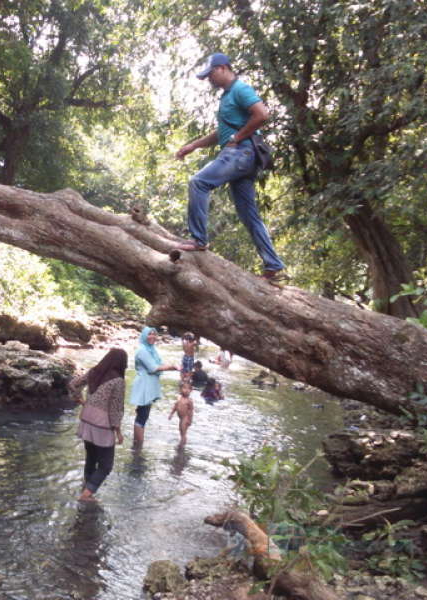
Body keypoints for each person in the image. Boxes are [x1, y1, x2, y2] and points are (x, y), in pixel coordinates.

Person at [174, 52, 288, 284]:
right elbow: (221, 134)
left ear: (223, 68)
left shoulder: (240, 89)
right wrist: (193, 146)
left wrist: (239, 137)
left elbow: (262, 114)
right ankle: (273, 265)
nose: (209, 80)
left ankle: (198, 239)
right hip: (244, 156)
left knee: (199, 182)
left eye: (211, 74)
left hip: (241, 153)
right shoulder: (227, 97)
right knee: (249, 214)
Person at [68, 348, 128, 502]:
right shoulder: (118, 381)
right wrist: (118, 431)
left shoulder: (94, 371)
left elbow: (73, 384)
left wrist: (80, 401)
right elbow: (115, 409)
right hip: (102, 425)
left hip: (86, 420)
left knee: (91, 457)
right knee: (106, 465)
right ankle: (86, 495)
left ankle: (87, 486)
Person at [129, 326, 178, 447]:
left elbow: (160, 364)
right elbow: (153, 368)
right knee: (142, 415)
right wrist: (173, 367)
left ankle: (137, 443)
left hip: (148, 386)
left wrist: (173, 366)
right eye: (149, 334)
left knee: (143, 415)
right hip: (144, 386)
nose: (152, 336)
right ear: (144, 336)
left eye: (154, 334)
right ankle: (138, 445)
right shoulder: (142, 351)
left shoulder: (151, 350)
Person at [169, 382, 194, 448]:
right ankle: (182, 442)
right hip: (181, 418)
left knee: (183, 432)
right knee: (180, 430)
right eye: (184, 388)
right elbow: (175, 406)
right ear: (180, 389)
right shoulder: (179, 398)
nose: (186, 390)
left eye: (189, 388)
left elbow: (191, 411)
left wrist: (190, 420)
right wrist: (171, 414)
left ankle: (182, 444)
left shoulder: (189, 401)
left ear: (191, 390)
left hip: (185, 418)